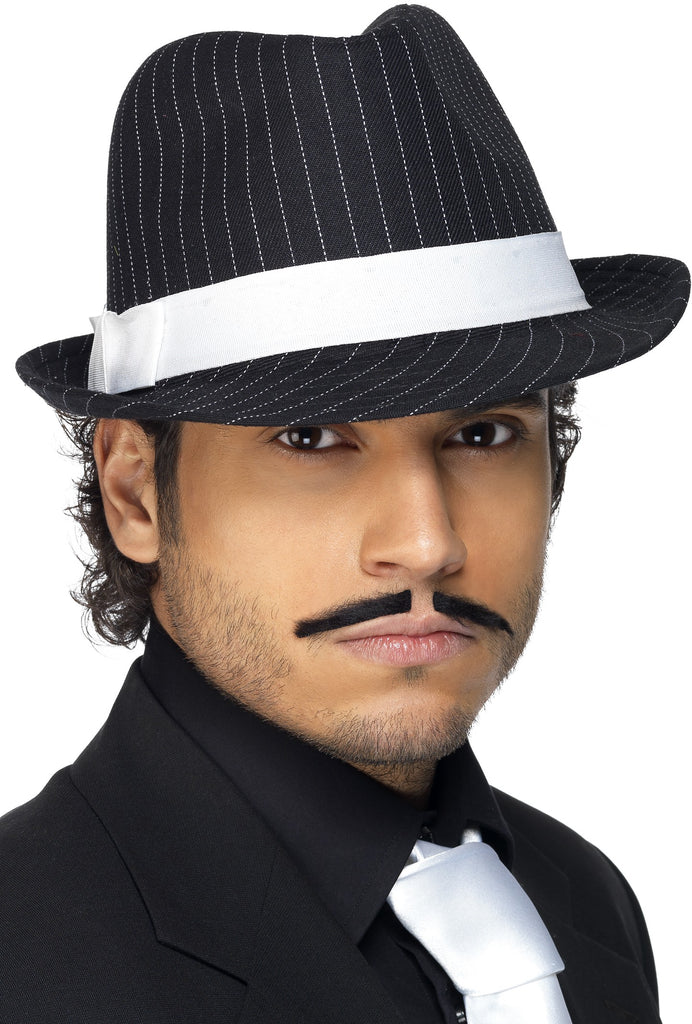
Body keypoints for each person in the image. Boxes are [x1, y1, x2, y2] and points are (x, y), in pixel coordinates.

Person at [1, 4, 688, 1022]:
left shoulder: (582, 900)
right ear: (136, 492)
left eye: (482, 433)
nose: (427, 543)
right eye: (311, 437)